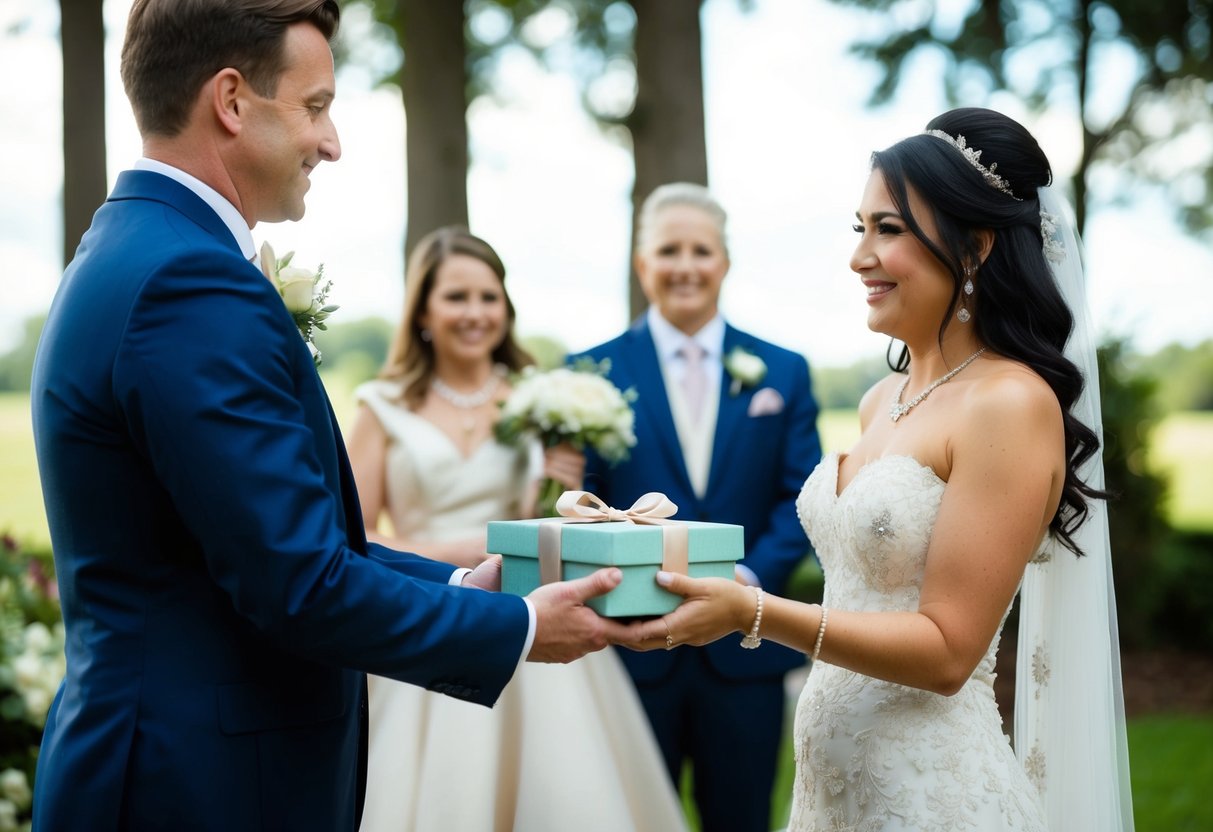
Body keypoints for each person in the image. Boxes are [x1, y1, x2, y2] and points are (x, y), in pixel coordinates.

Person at [28, 3, 637, 829]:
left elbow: (264, 544)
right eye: (315, 107)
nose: (331, 141)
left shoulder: (135, 246)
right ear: (232, 101)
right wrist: (519, 625)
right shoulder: (189, 285)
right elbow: (299, 585)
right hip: (196, 786)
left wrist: (462, 584)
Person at [628, 108, 1134, 830]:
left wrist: (753, 613)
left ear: (973, 247)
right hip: (834, 801)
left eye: (887, 230)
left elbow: (946, 650)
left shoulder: (1008, 403)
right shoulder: (879, 400)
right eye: (858, 227)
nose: (858, 255)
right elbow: (858, 588)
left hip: (935, 801)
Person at [346, 226, 687, 831]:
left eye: (488, 297)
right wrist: (464, 552)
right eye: (456, 297)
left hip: (540, 616)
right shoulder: (382, 406)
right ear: (423, 307)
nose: (475, 313)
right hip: (436, 611)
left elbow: (556, 525)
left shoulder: (542, 401)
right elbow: (355, 534)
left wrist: (559, 489)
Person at [572, 183, 824, 832]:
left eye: (700, 250)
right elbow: (578, 508)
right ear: (640, 264)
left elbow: (799, 497)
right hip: (629, 648)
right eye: (668, 250)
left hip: (744, 655)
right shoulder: (589, 372)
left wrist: (741, 581)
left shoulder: (782, 372)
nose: (685, 265)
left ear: (725, 262)